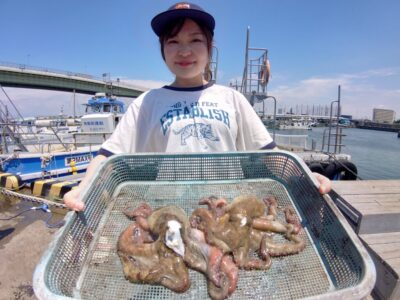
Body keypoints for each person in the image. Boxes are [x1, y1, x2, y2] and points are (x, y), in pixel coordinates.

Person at [64, 2, 331, 211]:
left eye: (195, 40)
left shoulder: (232, 99)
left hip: (227, 209)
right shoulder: (147, 102)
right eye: (173, 41)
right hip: (169, 211)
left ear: (209, 47)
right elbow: (107, 156)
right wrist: (82, 187)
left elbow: (271, 154)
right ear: (162, 49)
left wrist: (306, 176)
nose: (184, 51)